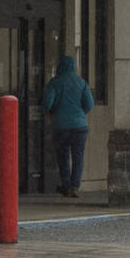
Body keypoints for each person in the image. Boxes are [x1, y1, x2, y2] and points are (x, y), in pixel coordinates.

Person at [41, 55, 94, 197]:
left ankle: (66, 184)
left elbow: (47, 103)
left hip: (61, 126)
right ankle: (75, 187)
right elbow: (90, 104)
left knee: (63, 156)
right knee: (78, 156)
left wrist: (53, 112)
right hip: (80, 126)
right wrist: (79, 114)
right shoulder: (81, 82)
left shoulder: (55, 82)